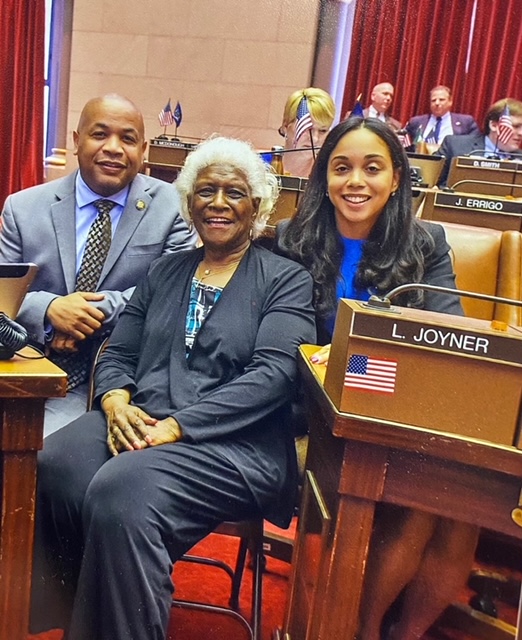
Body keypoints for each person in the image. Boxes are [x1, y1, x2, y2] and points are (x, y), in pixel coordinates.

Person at [29, 136, 316, 640]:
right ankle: (78, 612)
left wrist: (179, 426)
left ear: (257, 206)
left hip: (236, 444)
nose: (219, 203)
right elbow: (118, 352)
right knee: (57, 463)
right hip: (143, 418)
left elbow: (275, 375)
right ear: (189, 203)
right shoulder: (165, 271)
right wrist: (115, 399)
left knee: (123, 491)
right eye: (206, 191)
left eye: (234, 192)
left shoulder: (285, 280)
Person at [276, 117, 479, 640]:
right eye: (341, 168)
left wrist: (367, 365)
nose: (356, 182)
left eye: (373, 167)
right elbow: (290, 349)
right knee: (421, 491)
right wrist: (368, 363)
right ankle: (362, 630)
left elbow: (446, 331)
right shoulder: (290, 240)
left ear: (396, 178)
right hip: (312, 416)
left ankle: (402, 634)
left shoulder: (426, 242)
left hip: (398, 416)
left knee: (460, 502)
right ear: (325, 178)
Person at [0, 94, 198, 435]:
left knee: (50, 453)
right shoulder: (23, 208)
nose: (114, 148)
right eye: (100, 134)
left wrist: (88, 312)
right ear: (76, 141)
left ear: (144, 149)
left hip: (121, 378)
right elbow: (3, 293)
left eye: (128, 139)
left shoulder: (173, 208)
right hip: (27, 365)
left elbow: (171, 293)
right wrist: (50, 310)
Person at [436, 97, 522, 186]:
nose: (521, 133)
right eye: (516, 126)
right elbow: (430, 181)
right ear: (493, 125)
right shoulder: (455, 146)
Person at [278, 87, 336, 177]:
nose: (315, 138)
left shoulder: (330, 174)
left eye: (323, 131)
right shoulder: (259, 166)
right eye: (307, 129)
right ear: (285, 126)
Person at [405, 85, 479, 149]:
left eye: (441, 100)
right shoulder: (416, 121)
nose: (437, 103)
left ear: (450, 101)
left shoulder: (466, 122)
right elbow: (404, 141)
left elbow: (475, 143)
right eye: (433, 100)